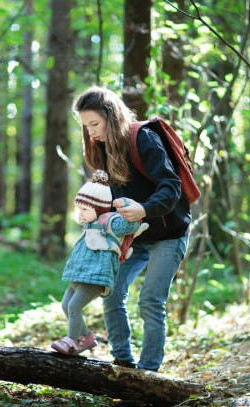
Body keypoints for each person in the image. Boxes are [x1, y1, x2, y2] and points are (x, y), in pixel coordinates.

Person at [73, 86, 191, 371]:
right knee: (111, 293)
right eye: (85, 127)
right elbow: (106, 198)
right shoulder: (101, 149)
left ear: (111, 118)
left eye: (95, 124)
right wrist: (91, 213)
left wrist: (145, 209)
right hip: (131, 236)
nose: (91, 133)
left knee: (150, 300)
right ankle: (123, 364)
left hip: (168, 233)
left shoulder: (144, 139)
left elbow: (171, 185)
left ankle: (148, 372)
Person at [51, 170, 148, 355]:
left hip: (96, 276)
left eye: (84, 210)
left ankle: (71, 340)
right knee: (66, 305)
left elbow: (131, 224)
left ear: (99, 209)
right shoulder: (88, 225)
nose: (80, 214)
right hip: (80, 274)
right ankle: (86, 338)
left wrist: (127, 206)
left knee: (74, 306)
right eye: (79, 209)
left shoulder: (108, 222)